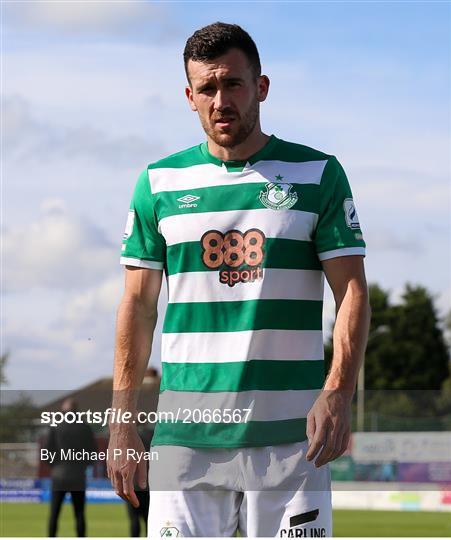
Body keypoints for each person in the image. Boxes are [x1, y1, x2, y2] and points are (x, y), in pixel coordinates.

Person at [108, 22, 370, 537]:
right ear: (189, 96)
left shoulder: (318, 174)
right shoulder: (158, 183)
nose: (220, 100)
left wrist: (338, 391)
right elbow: (137, 307)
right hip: (185, 441)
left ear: (262, 87)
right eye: (207, 88)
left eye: (233, 84)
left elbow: (353, 293)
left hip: (294, 439)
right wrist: (122, 416)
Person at [45, 398, 96, 537]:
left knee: (54, 513)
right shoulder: (85, 427)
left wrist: (54, 466)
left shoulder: (56, 426)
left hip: (59, 475)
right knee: (79, 513)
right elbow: (93, 452)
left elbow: (48, 450)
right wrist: (84, 466)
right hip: (78, 475)